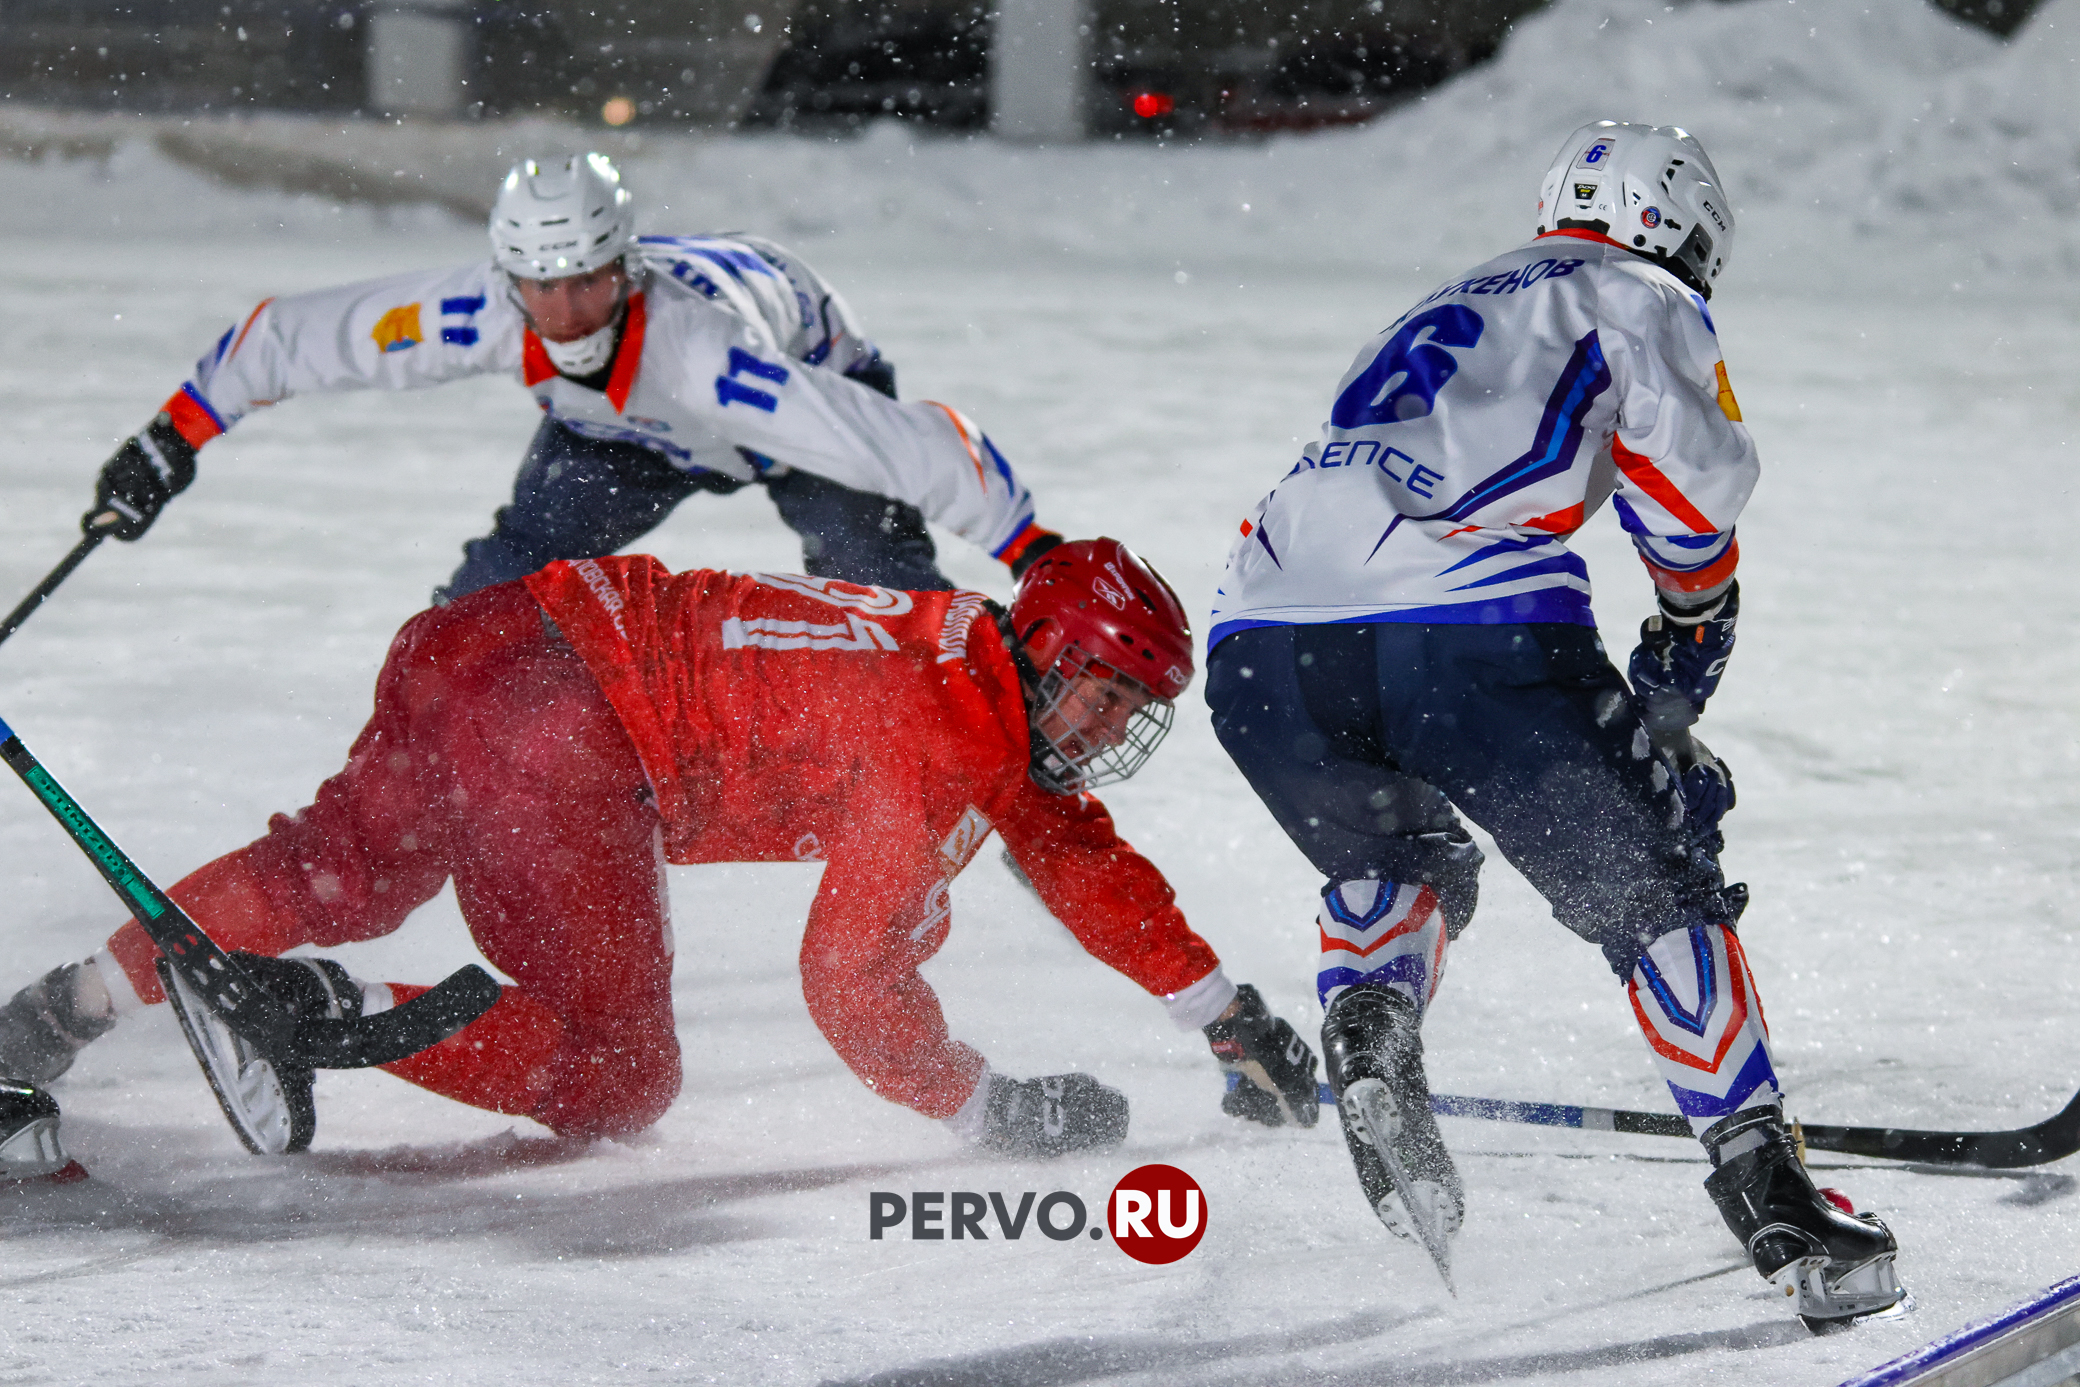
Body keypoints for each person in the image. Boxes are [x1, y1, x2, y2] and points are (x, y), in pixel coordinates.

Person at [1202, 122, 1906, 1324]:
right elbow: (1690, 495)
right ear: (1678, 224)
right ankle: (1775, 1199)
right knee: (1656, 892)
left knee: (1398, 856)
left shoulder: (1452, 294)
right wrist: (1688, 640)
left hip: (1262, 640)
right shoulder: (1634, 289)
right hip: (1460, 630)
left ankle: (1370, 1026)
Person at [0, 541, 1320, 1158]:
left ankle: (68, 1006)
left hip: (491, 634)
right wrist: (985, 1103)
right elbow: (849, 986)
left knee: (331, 869)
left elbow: (1070, 844)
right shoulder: (944, 739)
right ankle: (323, 1009)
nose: (1100, 725)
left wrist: (1222, 1008)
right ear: (1041, 647)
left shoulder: (967, 649)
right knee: (620, 1070)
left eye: (1126, 708)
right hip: (570, 730)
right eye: (1094, 686)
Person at [82, 153, 1064, 601]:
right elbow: (298, 336)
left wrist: (1027, 543)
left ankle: (990, 744)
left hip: (796, 387)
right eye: (538, 287)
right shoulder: (482, 309)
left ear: (624, 268)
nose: (562, 313)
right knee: (492, 606)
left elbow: (885, 440)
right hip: (625, 435)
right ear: (508, 276)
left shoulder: (705, 355)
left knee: (877, 583)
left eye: (585, 282)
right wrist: (173, 436)